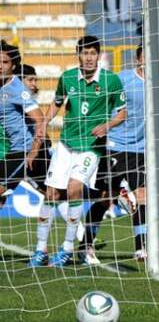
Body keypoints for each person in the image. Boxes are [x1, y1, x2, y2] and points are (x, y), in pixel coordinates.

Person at [81, 45, 159, 263]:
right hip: (115, 145)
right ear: (137, 60)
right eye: (144, 56)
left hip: (143, 149)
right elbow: (101, 99)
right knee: (105, 199)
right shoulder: (122, 79)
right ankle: (86, 245)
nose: (148, 60)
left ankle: (141, 247)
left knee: (143, 197)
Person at [30, 36, 126, 268]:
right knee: (51, 194)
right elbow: (57, 102)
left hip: (91, 147)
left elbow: (122, 114)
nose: (90, 58)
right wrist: (44, 123)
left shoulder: (111, 81)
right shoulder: (68, 77)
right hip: (66, 143)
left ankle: (66, 249)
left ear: (99, 55)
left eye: (94, 53)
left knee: (74, 189)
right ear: (78, 54)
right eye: (85, 53)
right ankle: (40, 250)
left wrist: (107, 126)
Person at [0, 41, 46, 206]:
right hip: (13, 148)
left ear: (13, 66)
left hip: (24, 149)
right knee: (52, 193)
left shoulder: (18, 90)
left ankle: (113, 188)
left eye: (5, 62)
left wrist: (34, 151)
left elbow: (40, 120)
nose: (0, 66)